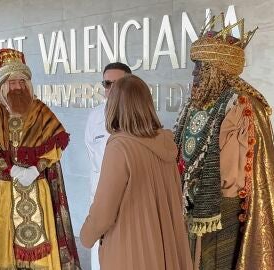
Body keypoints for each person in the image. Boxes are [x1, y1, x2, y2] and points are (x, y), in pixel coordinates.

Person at [174, 14, 274, 269]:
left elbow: (234, 171)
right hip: (189, 204)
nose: (194, 73)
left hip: (223, 209)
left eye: (199, 66)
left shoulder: (242, 105)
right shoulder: (196, 103)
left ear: (215, 69)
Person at [0, 48, 81, 270]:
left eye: (22, 81)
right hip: (3, 192)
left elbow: (57, 143)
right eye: (12, 82)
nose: (18, 87)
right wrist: (11, 170)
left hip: (37, 188)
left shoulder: (41, 111)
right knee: (5, 248)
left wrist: (35, 169)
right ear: (1, 85)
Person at [80, 75, 193, 270]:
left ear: (114, 106)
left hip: (132, 249)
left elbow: (103, 213)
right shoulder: (166, 141)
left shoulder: (120, 147)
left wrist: (86, 236)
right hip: (166, 244)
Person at [84, 62, 131, 270]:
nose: (111, 89)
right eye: (107, 83)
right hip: (101, 201)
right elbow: (92, 157)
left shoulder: (140, 117)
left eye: (117, 83)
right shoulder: (94, 117)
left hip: (130, 203)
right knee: (100, 260)